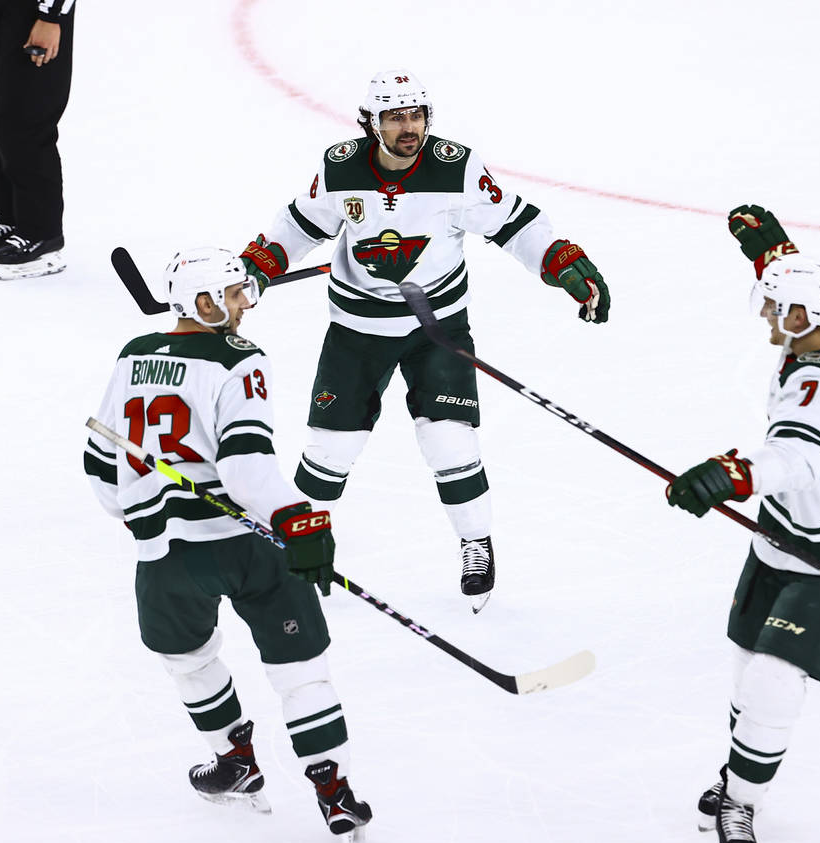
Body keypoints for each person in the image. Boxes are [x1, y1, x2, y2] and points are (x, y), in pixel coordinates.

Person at [237, 69, 611, 613]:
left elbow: (517, 223)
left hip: (436, 329)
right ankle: (291, 545)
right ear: (372, 123)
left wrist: (566, 266)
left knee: (451, 443)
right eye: (394, 117)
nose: (408, 127)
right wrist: (256, 267)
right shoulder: (340, 167)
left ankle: (475, 543)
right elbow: (299, 224)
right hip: (357, 331)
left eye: (415, 116)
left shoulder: (457, 168)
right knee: (330, 451)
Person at [84, 247, 372, 843]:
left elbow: (98, 463)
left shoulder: (132, 355)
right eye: (234, 294)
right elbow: (245, 466)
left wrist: (139, 512)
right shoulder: (238, 360)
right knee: (300, 672)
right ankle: (335, 791)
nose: (246, 304)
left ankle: (233, 760)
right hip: (248, 545)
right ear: (205, 302)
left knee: (187, 660)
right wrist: (299, 519)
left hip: (166, 554)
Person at [665, 205, 820, 843]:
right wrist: (772, 252)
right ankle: (741, 767)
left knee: (771, 680)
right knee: (745, 665)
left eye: (777, 309)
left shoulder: (818, 383)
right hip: (784, 535)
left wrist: (731, 475)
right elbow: (801, 289)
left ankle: (742, 797)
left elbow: (796, 460)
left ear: (802, 317)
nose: (769, 317)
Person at [0, 0, 75, 280]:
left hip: (34, 11)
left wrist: (52, 15)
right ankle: (12, 220)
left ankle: (42, 234)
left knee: (23, 122)